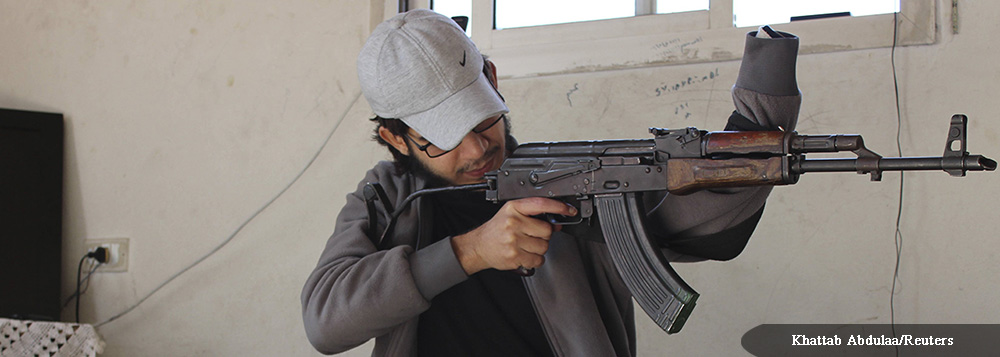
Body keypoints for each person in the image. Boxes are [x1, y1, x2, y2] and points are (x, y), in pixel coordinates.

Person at [302, 9, 801, 356]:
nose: (477, 149)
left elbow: (710, 213)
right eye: (443, 138)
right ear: (394, 137)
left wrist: (764, 96)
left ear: (492, 80)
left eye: (480, 120)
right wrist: (469, 252)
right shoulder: (385, 198)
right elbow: (326, 322)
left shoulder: (573, 179)